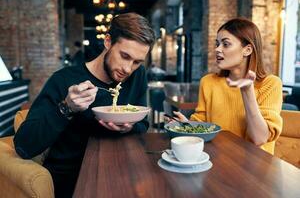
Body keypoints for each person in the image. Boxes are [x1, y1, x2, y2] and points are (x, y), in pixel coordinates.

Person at [13, 13, 155, 197]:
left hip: (121, 171)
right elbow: (24, 145)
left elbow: (143, 124)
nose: (128, 69)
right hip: (71, 179)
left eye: (136, 62)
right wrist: (66, 108)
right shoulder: (64, 80)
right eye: (124, 56)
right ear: (108, 41)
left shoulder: (138, 75)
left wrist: (128, 127)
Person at [173, 18, 282, 155]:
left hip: (254, 167)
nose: (217, 49)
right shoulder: (208, 82)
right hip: (216, 160)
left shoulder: (271, 84)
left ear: (247, 50)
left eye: (225, 44)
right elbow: (203, 124)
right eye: (217, 44)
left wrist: (247, 91)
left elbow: (259, 138)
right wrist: (187, 125)